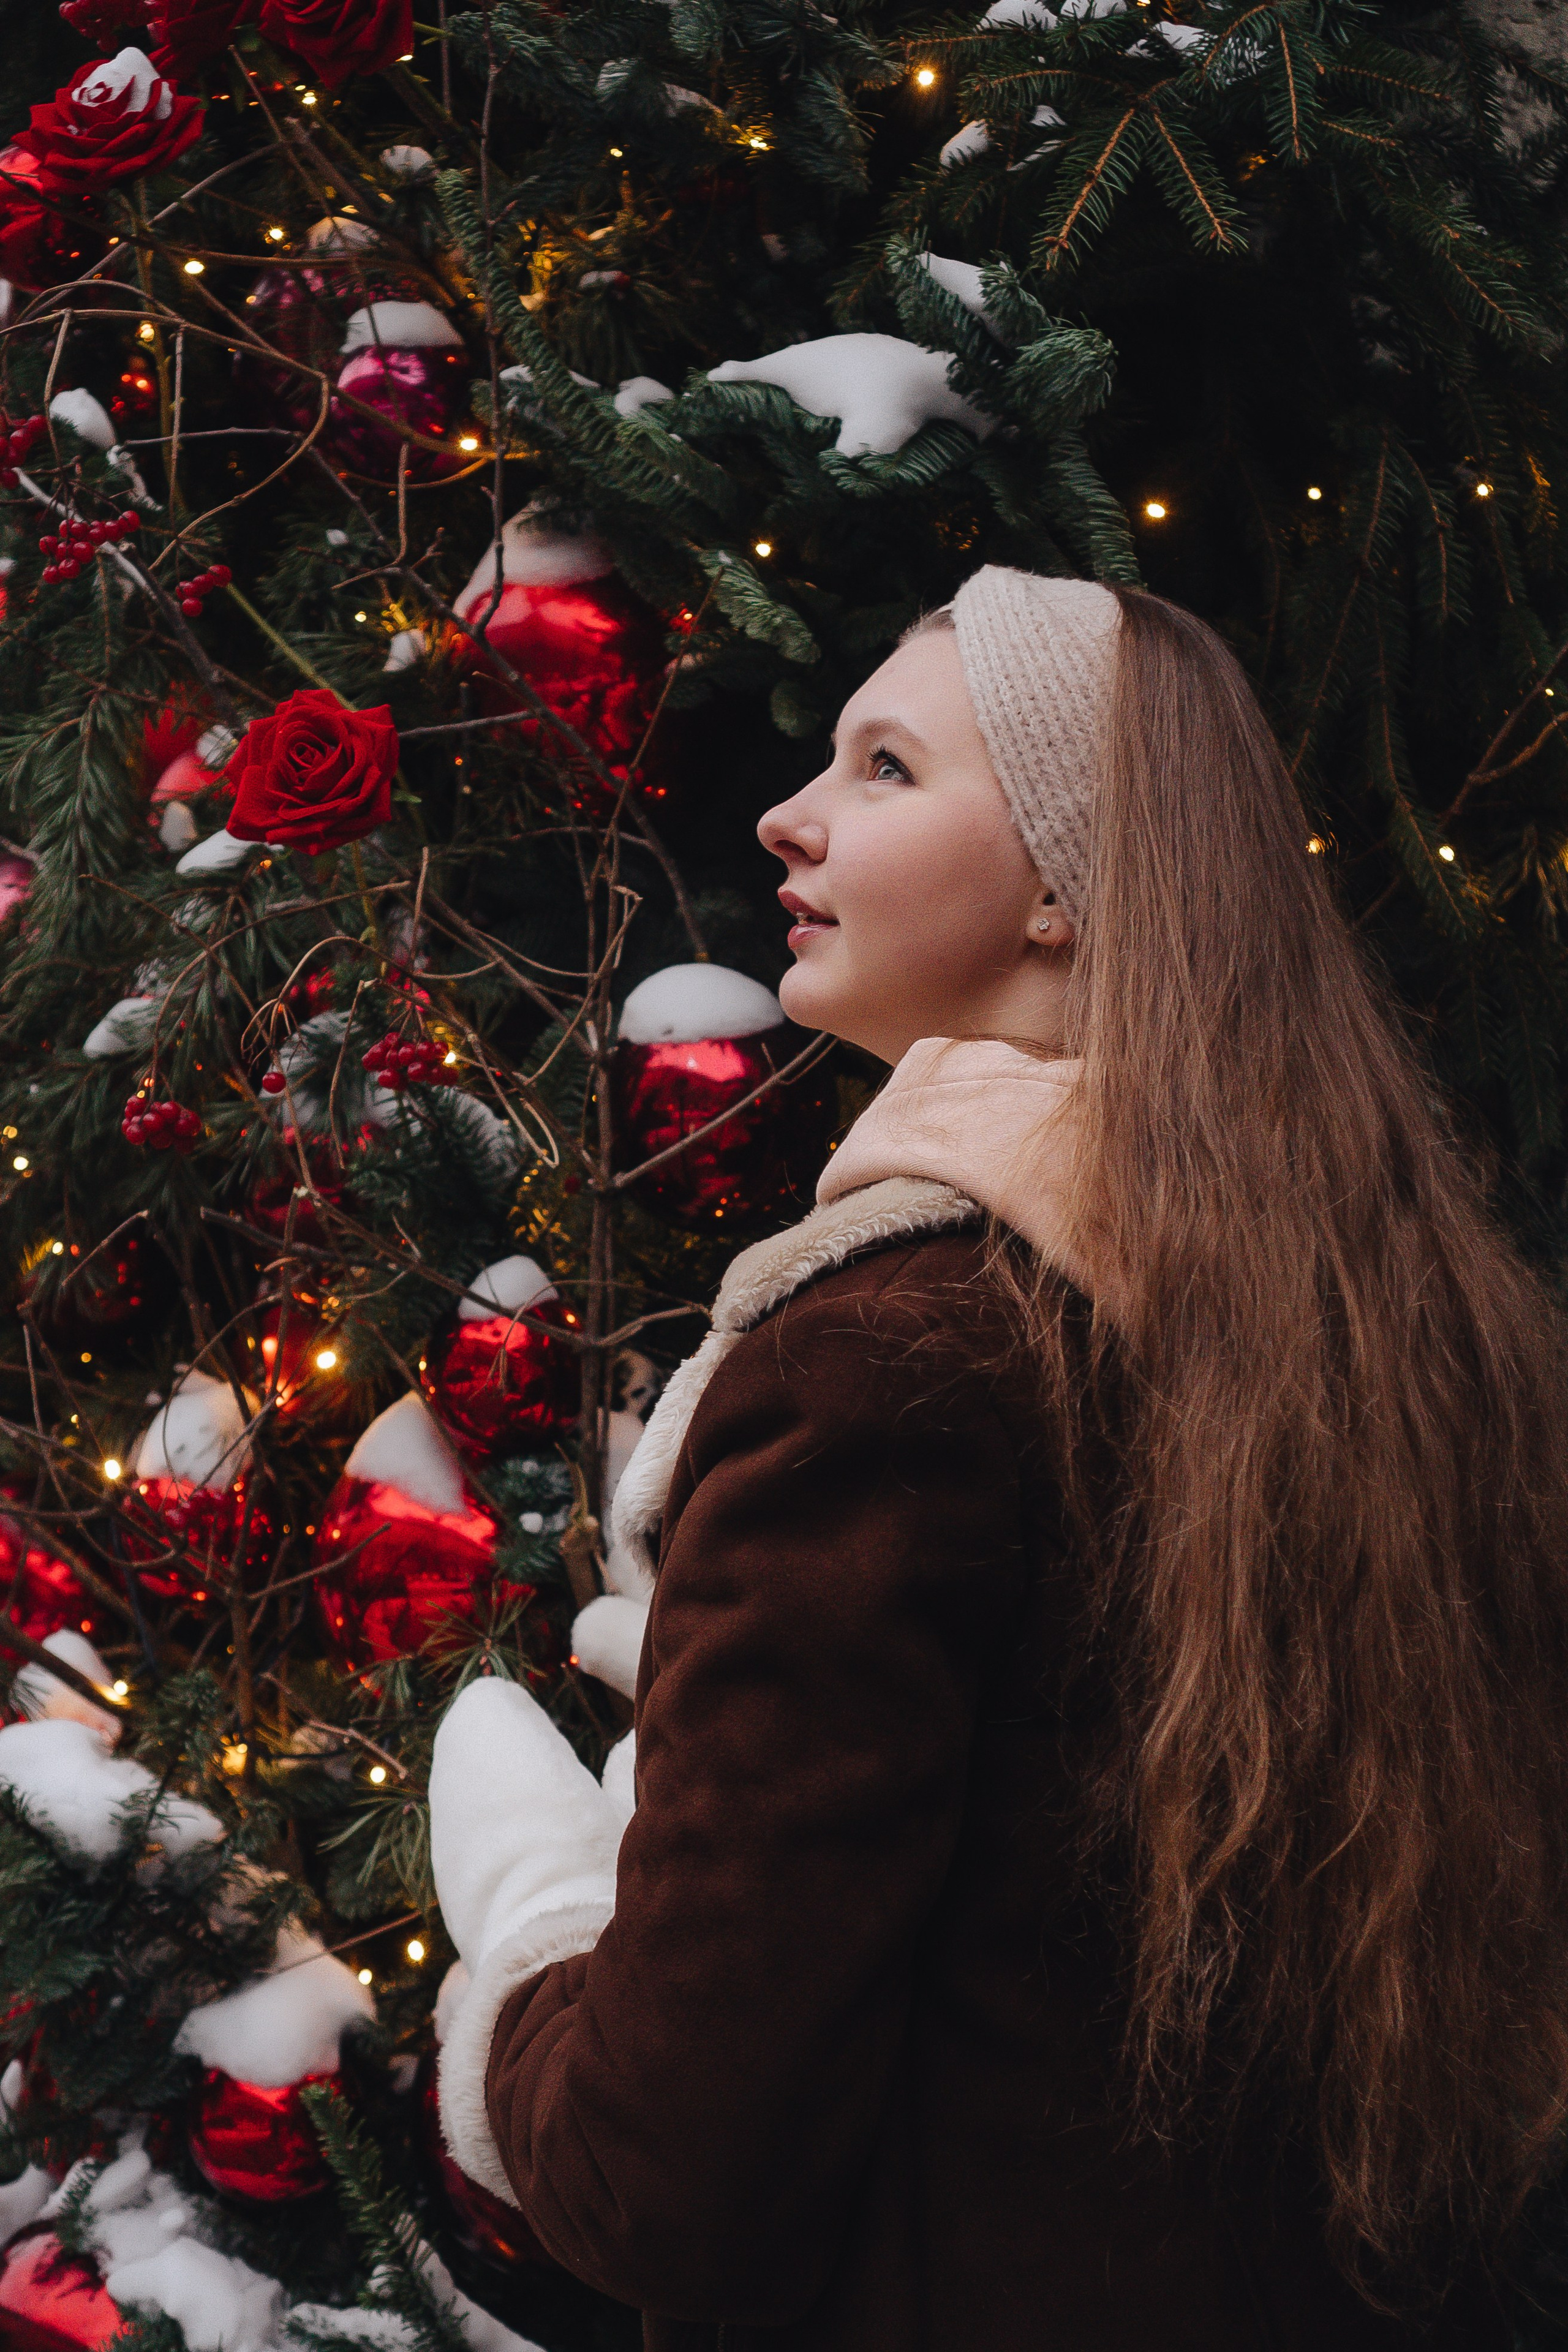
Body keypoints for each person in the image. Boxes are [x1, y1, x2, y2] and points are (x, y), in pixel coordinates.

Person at [427, 568, 1568, 2350]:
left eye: (887, 769)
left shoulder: (889, 1363)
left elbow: (668, 2184)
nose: (786, 813)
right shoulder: (1402, 1346)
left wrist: (538, 1924)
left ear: (1062, 882)